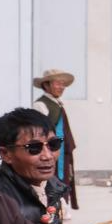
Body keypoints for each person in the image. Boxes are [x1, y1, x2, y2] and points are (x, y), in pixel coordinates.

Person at [32, 69, 79, 209]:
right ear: (46, 85)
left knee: (64, 179)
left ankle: (63, 209)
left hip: (62, 150)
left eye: (63, 84)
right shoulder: (40, 105)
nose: (62, 87)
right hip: (51, 150)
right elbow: (40, 132)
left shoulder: (57, 103)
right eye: (58, 83)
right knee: (51, 181)